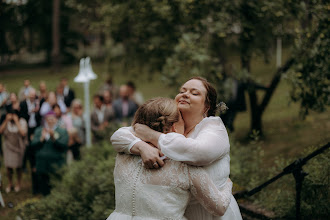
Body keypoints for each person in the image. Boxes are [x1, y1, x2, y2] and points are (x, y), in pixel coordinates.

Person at [111, 77, 242, 219]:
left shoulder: (214, 129)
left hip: (210, 215)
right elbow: (120, 135)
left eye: (194, 93)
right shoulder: (170, 126)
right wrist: (141, 146)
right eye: (182, 91)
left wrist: (152, 135)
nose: (185, 94)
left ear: (206, 106)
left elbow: (199, 153)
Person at [30, 111, 68, 196]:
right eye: (48, 119)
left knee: (56, 185)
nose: (50, 121)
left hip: (56, 164)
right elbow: (33, 145)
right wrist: (41, 139)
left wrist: (54, 138)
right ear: (45, 120)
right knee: (44, 185)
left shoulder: (62, 131)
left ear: (56, 119)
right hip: (42, 164)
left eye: (52, 119)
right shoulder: (39, 130)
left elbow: (64, 146)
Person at [0, 109, 28, 193]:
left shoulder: (22, 122)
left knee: (18, 167)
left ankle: (18, 183)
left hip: (18, 147)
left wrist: (16, 121)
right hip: (8, 147)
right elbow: (0, 131)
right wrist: (6, 120)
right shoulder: (6, 122)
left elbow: (23, 133)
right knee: (8, 167)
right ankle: (10, 183)